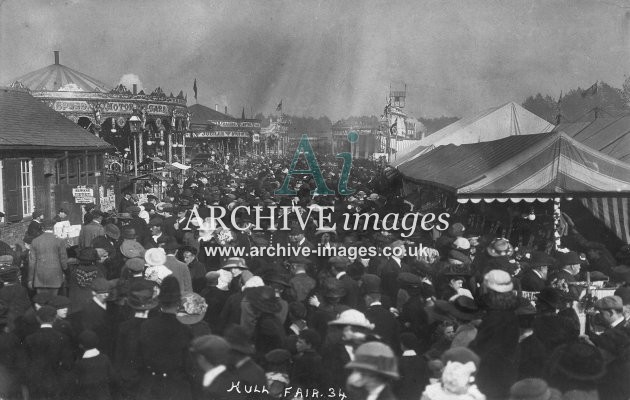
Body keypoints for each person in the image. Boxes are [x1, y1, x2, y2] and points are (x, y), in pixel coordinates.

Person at [137, 276, 193, 400]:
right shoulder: (185, 329)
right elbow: (188, 365)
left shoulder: (147, 326)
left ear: (160, 302)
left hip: (151, 386)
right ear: (179, 303)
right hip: (176, 388)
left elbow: (139, 359)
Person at [71, 330, 117, 400]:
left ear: (81, 346)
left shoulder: (80, 364)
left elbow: (77, 384)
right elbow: (113, 378)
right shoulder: (105, 358)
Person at [28, 219, 68, 295]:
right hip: (55, 275)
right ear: (53, 227)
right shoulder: (59, 241)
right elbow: (63, 260)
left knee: (41, 301)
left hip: (40, 277)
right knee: (53, 300)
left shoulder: (35, 241)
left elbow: (32, 263)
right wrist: (65, 272)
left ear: (42, 228)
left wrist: (30, 279)